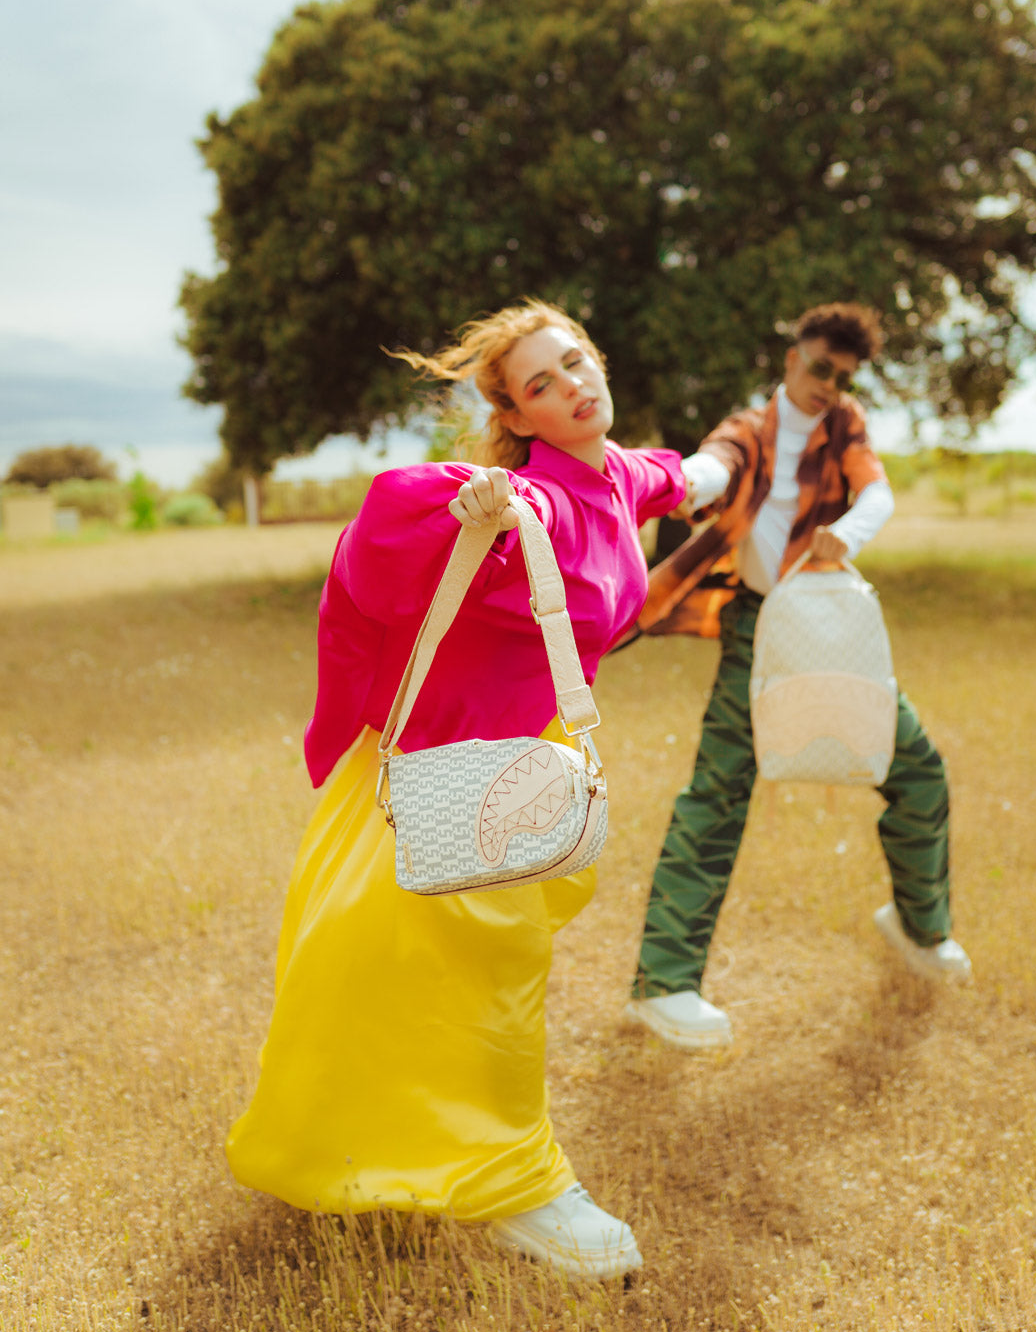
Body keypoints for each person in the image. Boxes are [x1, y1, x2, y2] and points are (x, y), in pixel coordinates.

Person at [226, 299, 699, 1278]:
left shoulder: (620, 476)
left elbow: (681, 474)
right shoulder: (534, 500)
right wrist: (474, 499)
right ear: (518, 417)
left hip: (520, 762)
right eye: (541, 384)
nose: (572, 386)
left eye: (576, 362)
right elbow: (399, 513)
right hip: (448, 766)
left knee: (432, 980)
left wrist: (739, 451)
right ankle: (515, 1185)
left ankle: (396, 1155)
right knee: (459, 979)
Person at [624, 302, 973, 1052]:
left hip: (826, 626)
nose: (829, 385)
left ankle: (919, 926)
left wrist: (844, 535)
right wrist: (686, 481)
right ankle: (664, 984)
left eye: (843, 377)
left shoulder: (844, 427)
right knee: (717, 795)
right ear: (792, 360)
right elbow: (714, 466)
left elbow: (877, 491)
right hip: (756, 631)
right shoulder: (749, 429)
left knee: (917, 771)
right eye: (820, 368)